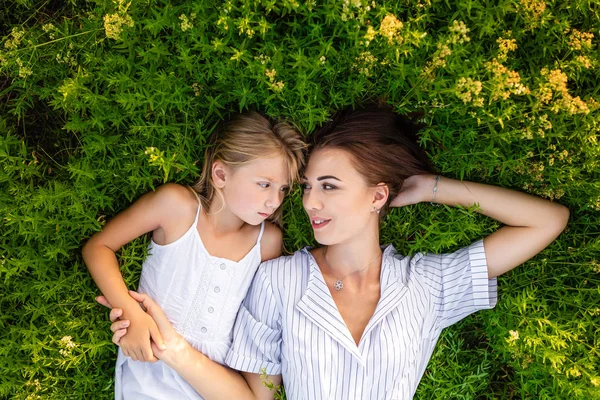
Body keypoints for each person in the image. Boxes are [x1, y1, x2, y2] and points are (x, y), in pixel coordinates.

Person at [99, 106, 570, 399]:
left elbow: (547, 221)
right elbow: (254, 399)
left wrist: (431, 187)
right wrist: (174, 349)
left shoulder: (426, 286)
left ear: (378, 196)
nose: (307, 203)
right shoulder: (276, 279)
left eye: (328, 187)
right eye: (305, 187)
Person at [82, 111, 306, 399]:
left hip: (211, 382)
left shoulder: (267, 242)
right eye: (264, 184)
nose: (275, 201)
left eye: (283, 189)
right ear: (221, 174)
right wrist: (128, 309)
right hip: (148, 373)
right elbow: (98, 248)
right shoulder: (177, 207)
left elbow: (257, 319)